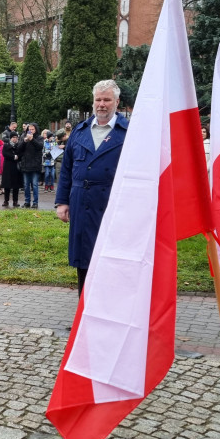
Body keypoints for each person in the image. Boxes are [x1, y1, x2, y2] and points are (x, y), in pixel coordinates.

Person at [55, 80, 129, 293]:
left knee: (112, 258)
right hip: (81, 202)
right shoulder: (80, 131)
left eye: (107, 100)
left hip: (112, 204)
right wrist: (62, 202)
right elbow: (67, 169)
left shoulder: (128, 132)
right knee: (84, 259)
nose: (102, 104)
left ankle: (110, 308)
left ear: (116, 102)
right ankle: (83, 308)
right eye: (98, 99)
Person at [18, 125, 43, 208]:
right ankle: (27, 201)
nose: (31, 131)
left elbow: (40, 147)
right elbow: (19, 149)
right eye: (29, 129)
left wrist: (32, 140)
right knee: (26, 185)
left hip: (35, 165)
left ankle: (35, 202)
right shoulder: (24, 137)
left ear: (36, 130)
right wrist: (24, 141)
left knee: (35, 185)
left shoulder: (39, 138)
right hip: (26, 165)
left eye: (33, 129)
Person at [0, 131, 22, 207]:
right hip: (8, 167)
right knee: (7, 185)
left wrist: (17, 156)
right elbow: (5, 154)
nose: (15, 139)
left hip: (16, 168)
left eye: (16, 137)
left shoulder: (19, 146)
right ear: (10, 138)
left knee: (16, 186)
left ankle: (15, 201)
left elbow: (20, 154)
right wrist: (13, 157)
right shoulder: (6, 145)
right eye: (13, 137)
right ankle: (6, 200)